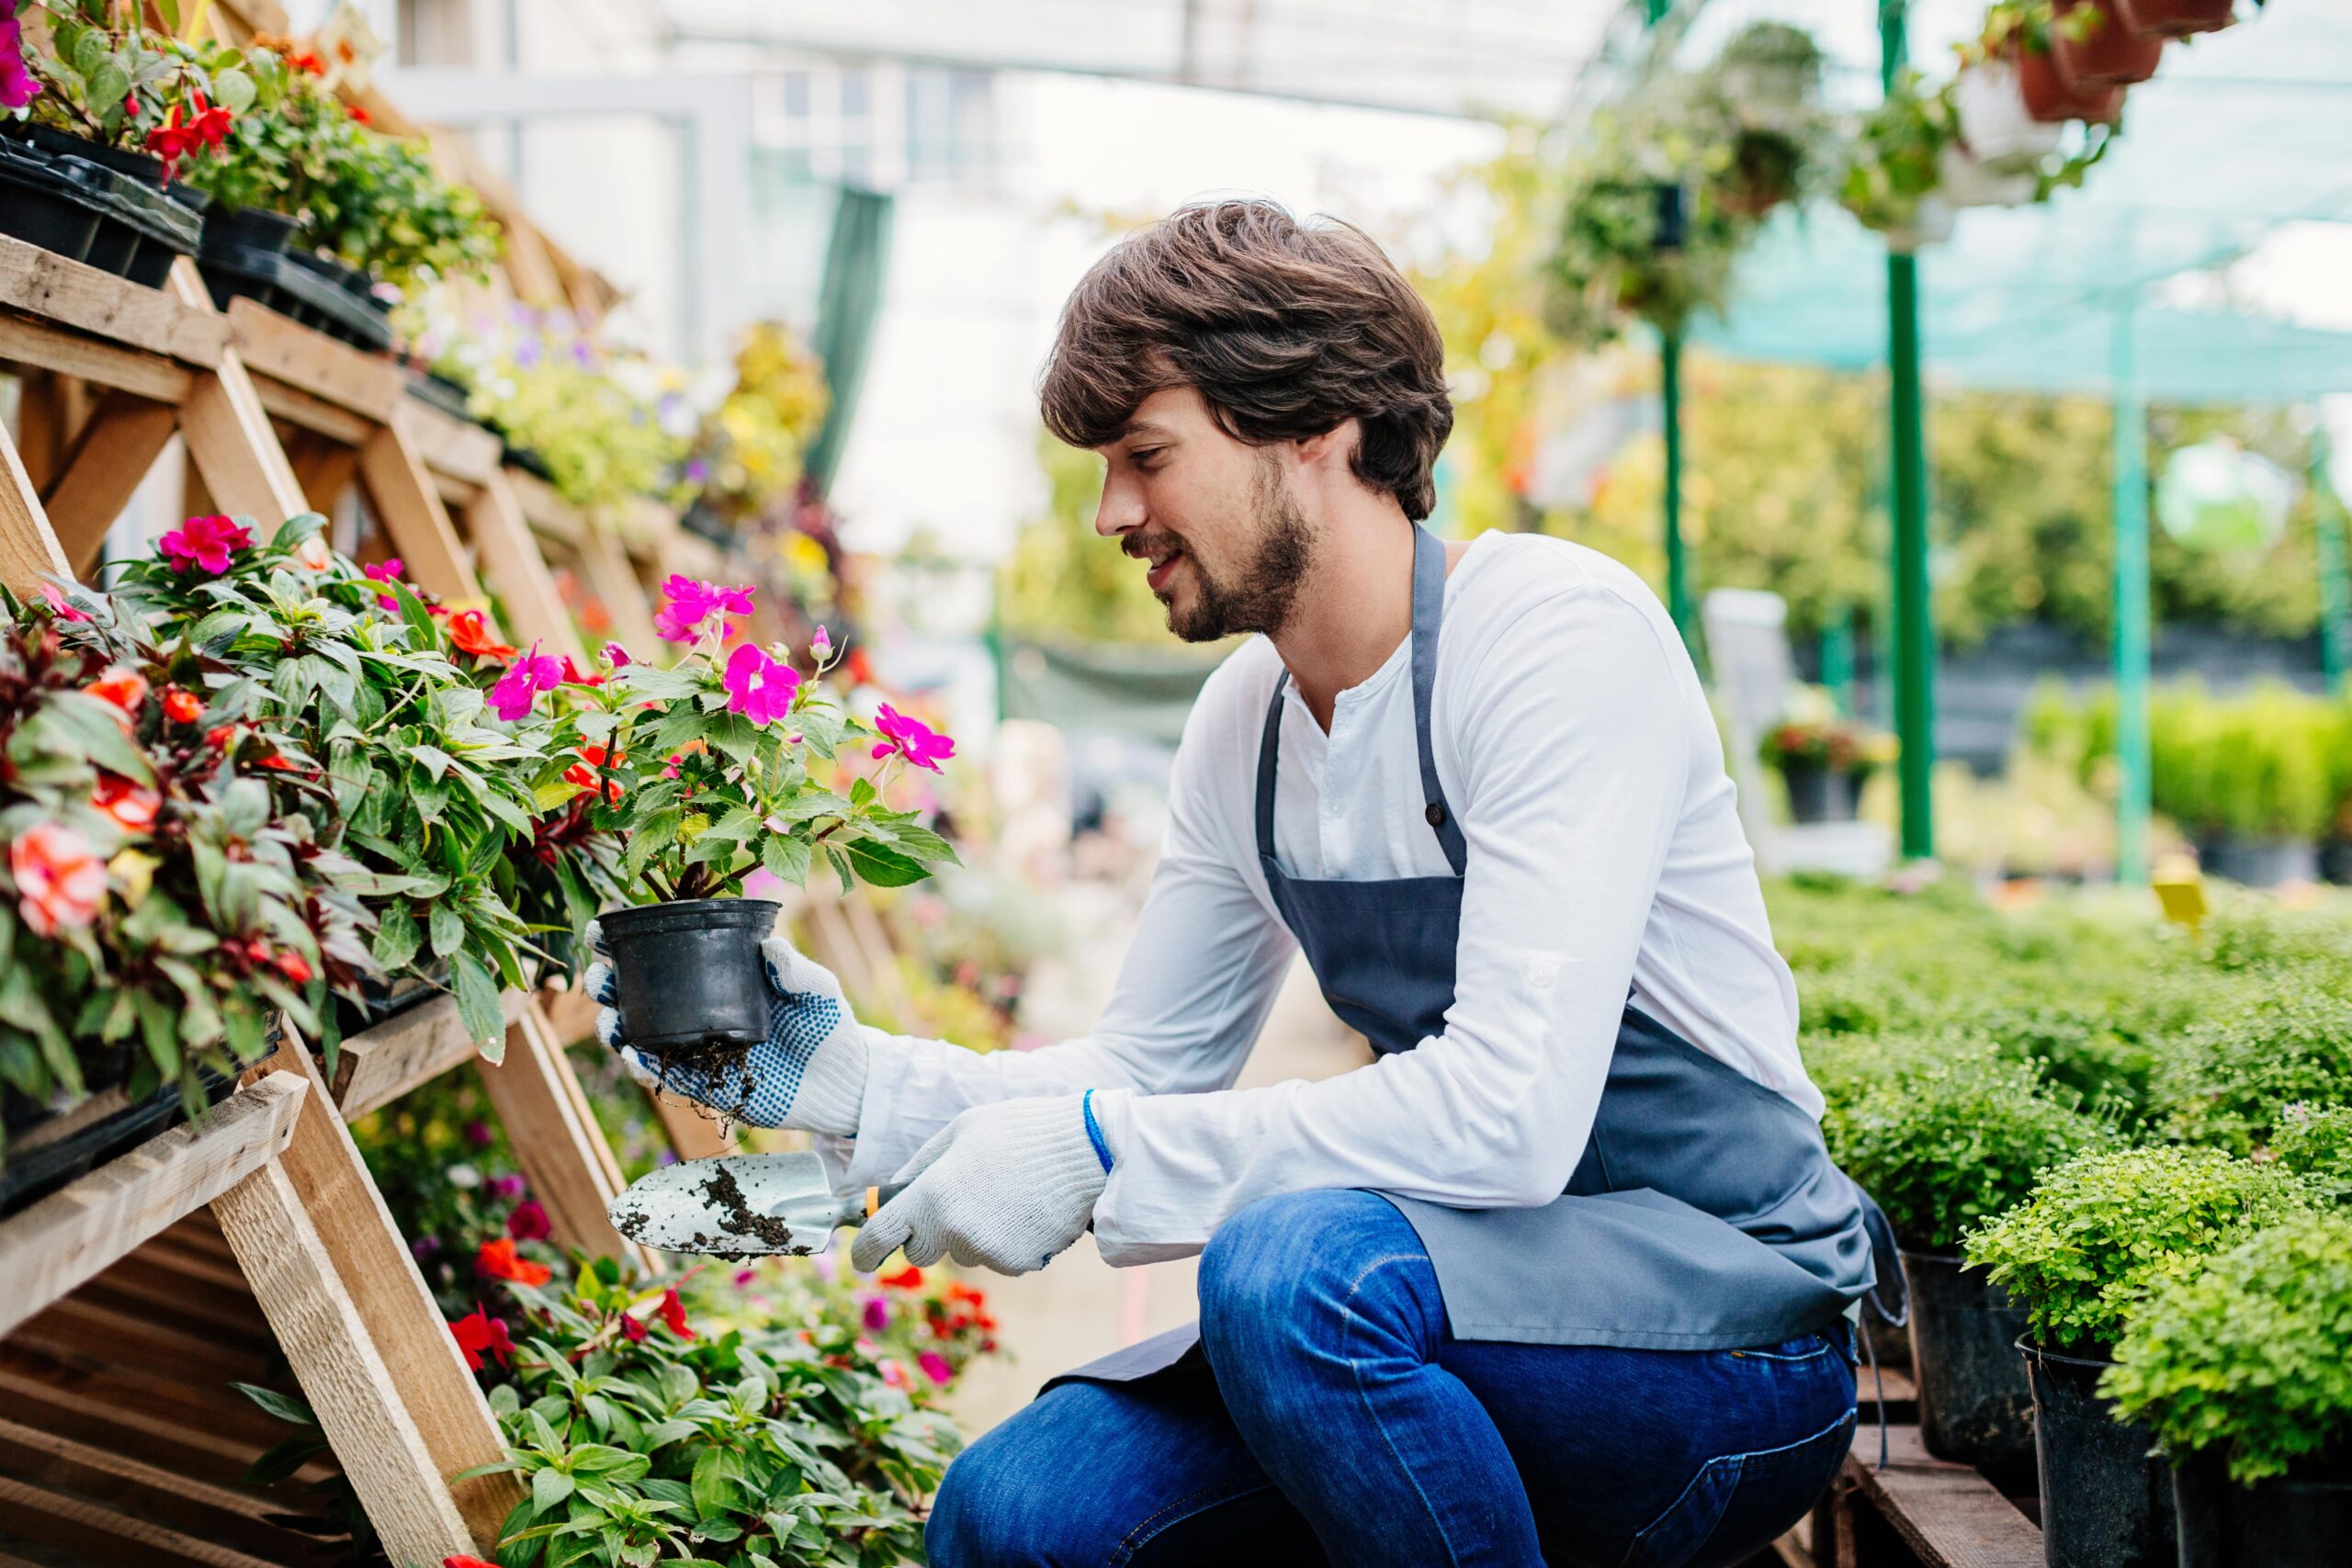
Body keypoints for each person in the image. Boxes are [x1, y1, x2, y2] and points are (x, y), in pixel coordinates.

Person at [590, 199, 1897, 1568]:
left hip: (1726, 1330)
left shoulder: (1553, 641)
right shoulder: (1247, 728)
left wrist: (1106, 1156)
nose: (1112, 513)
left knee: (1287, 1274)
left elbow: (1511, 1114)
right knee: (1016, 1511)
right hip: (1439, 1313)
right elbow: (1150, 1065)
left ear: (1316, 426)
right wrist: (844, 1080)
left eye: (1147, 455)